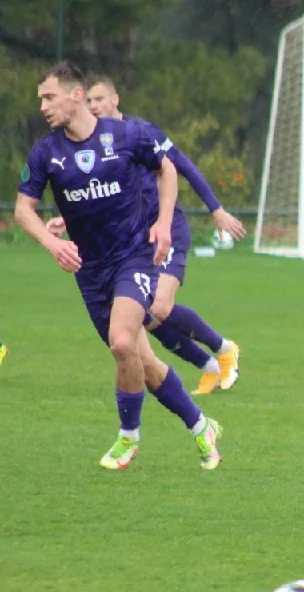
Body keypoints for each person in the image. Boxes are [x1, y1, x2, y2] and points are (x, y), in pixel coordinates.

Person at [13, 61, 223, 470]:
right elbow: (24, 209)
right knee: (144, 365)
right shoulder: (46, 152)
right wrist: (52, 242)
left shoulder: (126, 135)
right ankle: (202, 426)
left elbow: (166, 168)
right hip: (90, 272)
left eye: (49, 97)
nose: (43, 106)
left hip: (134, 258)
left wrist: (164, 223)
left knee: (122, 342)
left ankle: (128, 437)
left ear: (76, 95)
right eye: (41, 99)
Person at [77, 74, 243, 395]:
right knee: (141, 316)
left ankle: (224, 349)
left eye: (99, 99)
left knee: (158, 308)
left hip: (168, 230)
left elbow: (183, 167)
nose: (93, 106)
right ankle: (210, 365)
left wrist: (216, 210)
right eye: (89, 101)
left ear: (115, 99)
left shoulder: (141, 132)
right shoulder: (92, 145)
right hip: (133, 239)